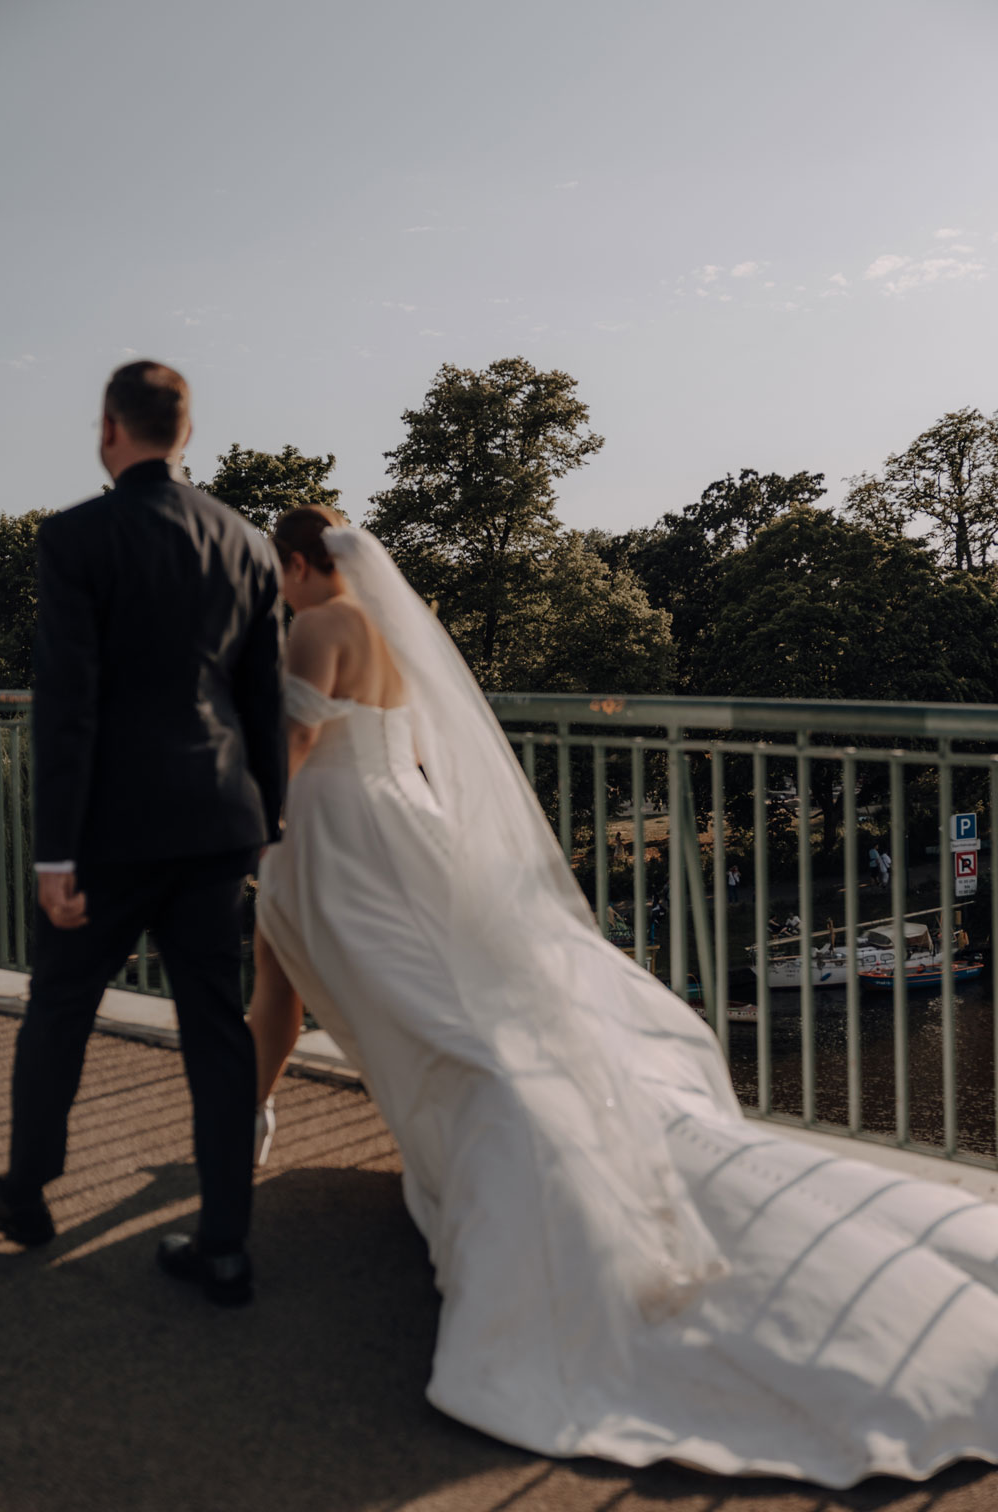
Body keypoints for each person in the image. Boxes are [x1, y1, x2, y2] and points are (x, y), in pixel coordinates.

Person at [250, 510, 998, 1486]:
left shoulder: (316, 626)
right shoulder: (390, 625)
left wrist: (239, 827)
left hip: (338, 842)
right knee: (389, 994)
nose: (279, 591)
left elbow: (296, 748)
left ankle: (245, 1130)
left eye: (281, 575)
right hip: (403, 825)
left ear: (302, 565)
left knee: (377, 1008)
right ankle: (245, 1118)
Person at [0, 362, 286, 1306]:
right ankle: (226, 1244)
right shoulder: (249, 543)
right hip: (220, 819)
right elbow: (262, 701)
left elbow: (69, 704)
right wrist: (267, 825)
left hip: (110, 831)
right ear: (183, 430)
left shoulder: (76, 538)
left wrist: (55, 853)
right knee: (217, 1031)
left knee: (61, 1009)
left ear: (112, 428)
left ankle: (26, 1197)